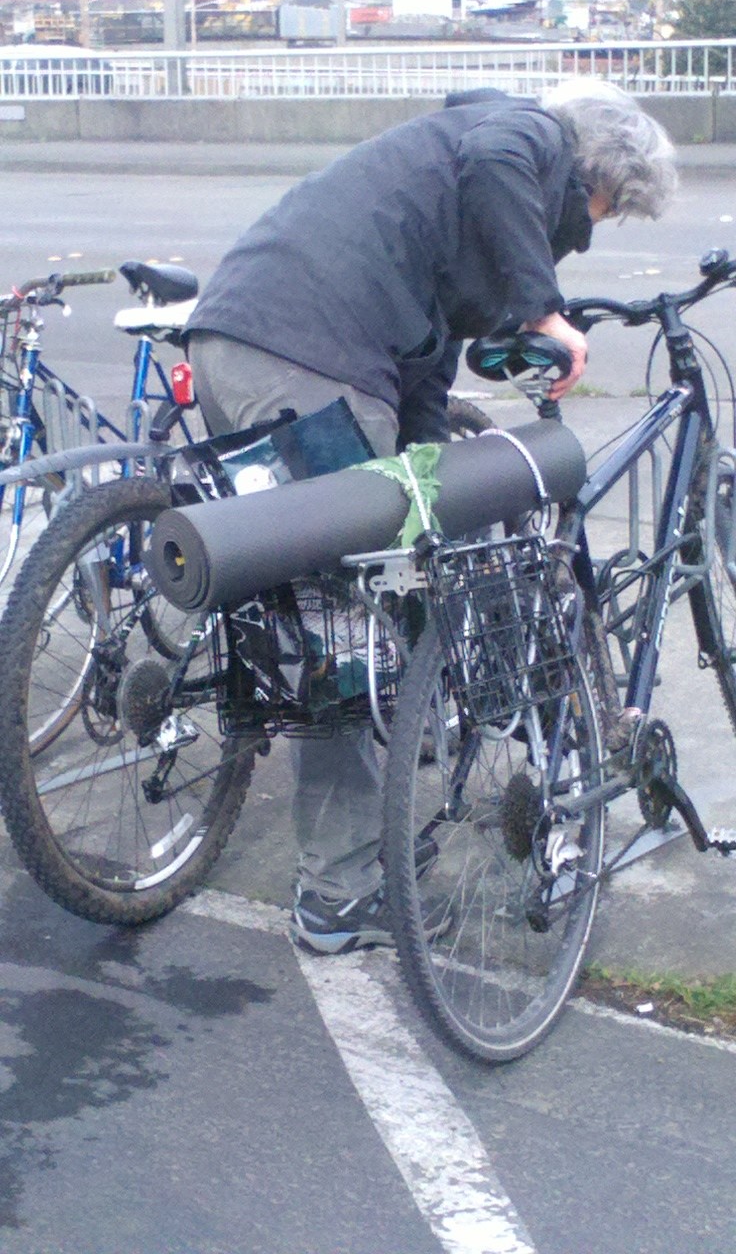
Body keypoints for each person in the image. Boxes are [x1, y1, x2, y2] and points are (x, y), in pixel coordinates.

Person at [184, 80, 677, 954]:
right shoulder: (522, 135)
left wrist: (423, 474)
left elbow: (426, 362)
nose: (588, 231)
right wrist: (544, 312)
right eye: (603, 209)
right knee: (342, 638)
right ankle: (339, 895)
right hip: (311, 365)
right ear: (595, 170)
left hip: (238, 341)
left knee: (325, 600)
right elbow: (501, 165)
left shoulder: (449, 176)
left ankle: (366, 822)